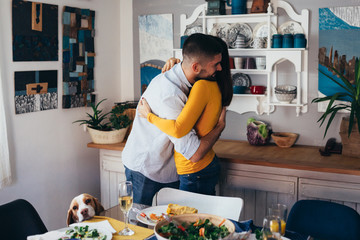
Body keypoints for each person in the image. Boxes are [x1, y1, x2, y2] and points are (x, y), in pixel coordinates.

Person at [122, 33, 227, 205]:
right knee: (138, 227)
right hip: (146, 169)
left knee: (168, 226)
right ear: (195, 67)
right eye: (215, 64)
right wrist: (220, 127)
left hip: (168, 168)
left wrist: (174, 60)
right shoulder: (170, 96)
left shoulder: (184, 76)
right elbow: (194, 153)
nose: (220, 68)